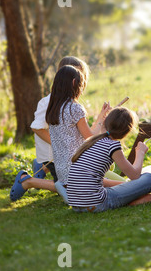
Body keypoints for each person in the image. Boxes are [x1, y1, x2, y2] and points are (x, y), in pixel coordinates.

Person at [10, 56, 91, 202]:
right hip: (55, 154)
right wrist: (58, 144)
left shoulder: (70, 103)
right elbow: (37, 127)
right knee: (68, 186)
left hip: (63, 155)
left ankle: (42, 167)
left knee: (74, 180)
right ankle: (28, 180)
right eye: (79, 77)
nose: (82, 82)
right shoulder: (49, 101)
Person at [67, 107, 151, 213]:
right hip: (96, 204)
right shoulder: (113, 145)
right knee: (149, 178)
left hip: (76, 205)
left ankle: (132, 199)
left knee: (116, 188)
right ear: (126, 132)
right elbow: (135, 176)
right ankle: (132, 201)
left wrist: (126, 186)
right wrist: (140, 153)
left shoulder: (92, 141)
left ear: (105, 123)